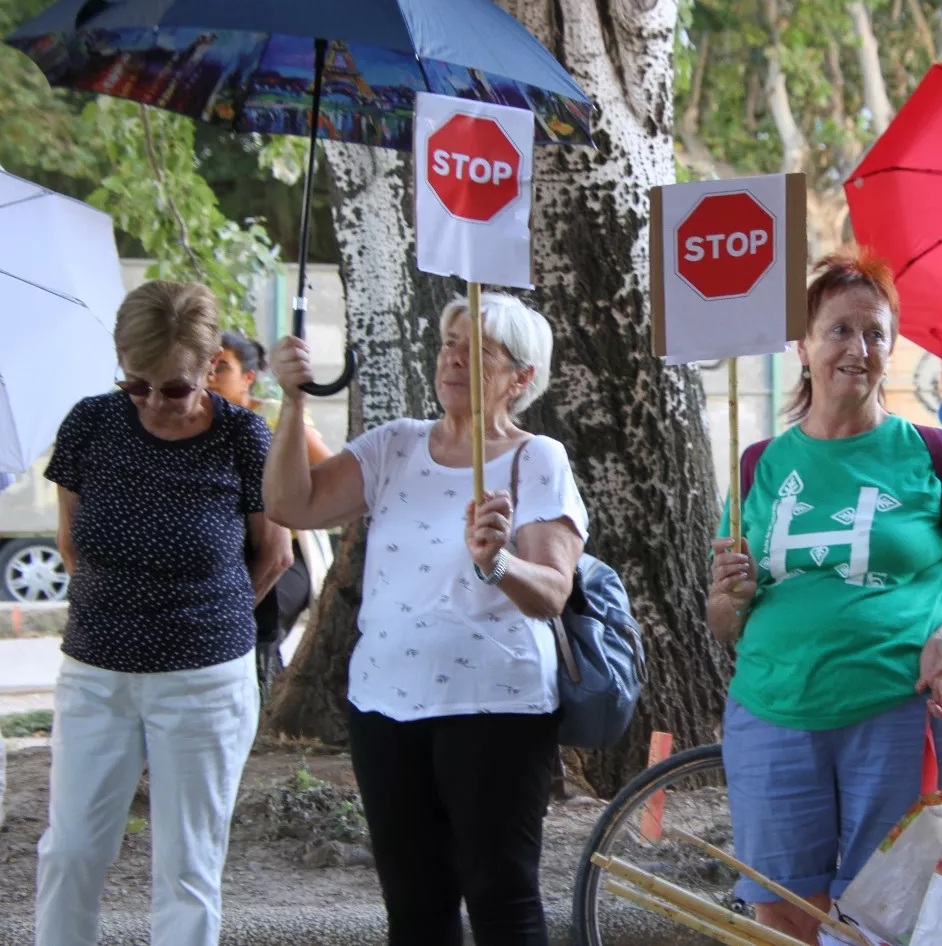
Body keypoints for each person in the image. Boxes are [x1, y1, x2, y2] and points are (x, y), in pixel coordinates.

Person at [709, 247, 942, 945]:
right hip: (773, 713)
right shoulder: (758, 464)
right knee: (784, 916)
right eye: (840, 329)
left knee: (895, 916)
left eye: (875, 332)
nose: (859, 347)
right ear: (803, 345)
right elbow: (723, 623)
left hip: (901, 713)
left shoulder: (933, 454)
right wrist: (730, 597)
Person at [263, 292, 585, 946]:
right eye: (449, 345)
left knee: (502, 896)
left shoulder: (536, 459)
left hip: (496, 707)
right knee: (414, 904)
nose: (455, 359)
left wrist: (497, 564)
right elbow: (290, 503)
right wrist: (292, 401)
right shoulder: (394, 446)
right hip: (385, 706)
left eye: (479, 352)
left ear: (521, 378)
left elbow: (551, 592)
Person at [35, 280, 293, 946]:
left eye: (173, 388)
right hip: (96, 672)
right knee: (68, 854)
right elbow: (72, 542)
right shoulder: (90, 423)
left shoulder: (242, 437)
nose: (152, 401)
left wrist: (211, 618)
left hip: (205, 681)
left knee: (186, 871)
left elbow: (274, 555)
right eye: (136, 384)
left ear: (212, 368)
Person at [210, 331, 335, 689]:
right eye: (209, 367)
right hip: (235, 549)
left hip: (290, 552)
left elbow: (332, 471)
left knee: (261, 630)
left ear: (248, 377)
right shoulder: (205, 421)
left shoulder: (278, 416)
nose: (212, 377)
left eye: (223, 368)